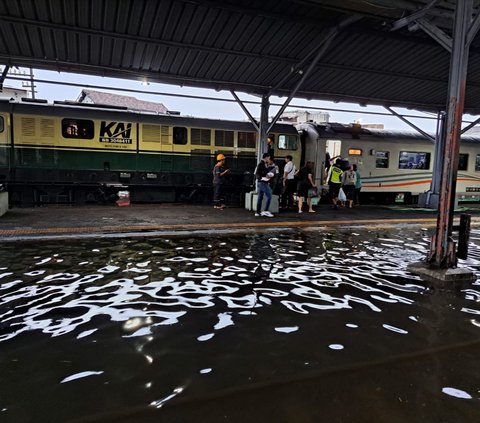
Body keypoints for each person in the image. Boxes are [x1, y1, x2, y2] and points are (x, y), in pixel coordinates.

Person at [254, 153, 275, 217]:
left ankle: (258, 212)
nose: (269, 159)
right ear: (266, 157)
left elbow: (257, 173)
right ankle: (265, 211)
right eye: (268, 158)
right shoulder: (261, 164)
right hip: (263, 183)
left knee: (260, 198)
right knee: (269, 196)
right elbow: (257, 173)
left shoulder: (263, 164)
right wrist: (263, 178)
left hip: (261, 183)